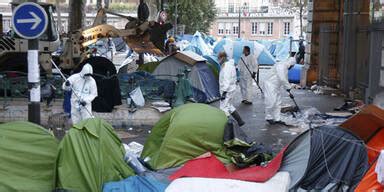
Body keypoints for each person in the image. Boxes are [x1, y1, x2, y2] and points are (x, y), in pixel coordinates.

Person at [263, 52, 296, 124]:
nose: (292, 68)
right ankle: (268, 117)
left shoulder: (285, 68)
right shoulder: (281, 65)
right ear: (291, 64)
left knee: (278, 102)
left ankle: (277, 118)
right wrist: (288, 88)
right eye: (292, 66)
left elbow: (285, 81)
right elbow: (282, 78)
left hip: (277, 86)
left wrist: (288, 91)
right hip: (270, 84)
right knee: (271, 101)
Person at [218, 51, 245, 126]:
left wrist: (224, 92)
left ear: (223, 58)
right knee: (229, 106)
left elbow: (227, 80)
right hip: (231, 89)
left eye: (219, 58)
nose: (218, 60)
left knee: (223, 108)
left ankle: (228, 128)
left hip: (227, 90)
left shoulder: (226, 67)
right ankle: (240, 121)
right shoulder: (230, 65)